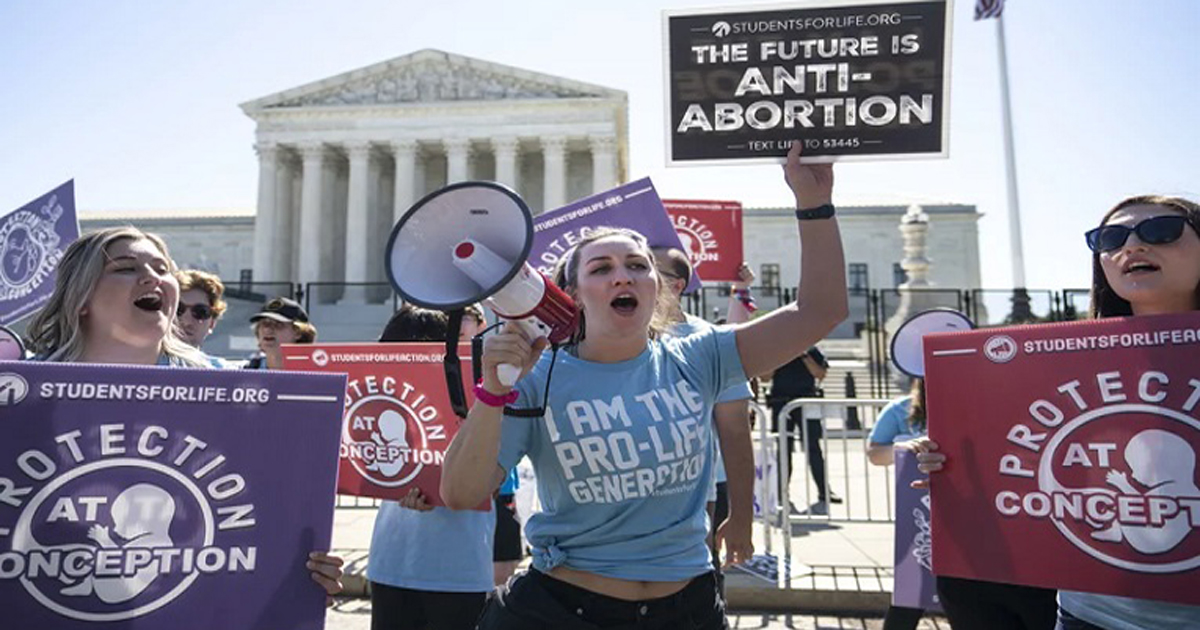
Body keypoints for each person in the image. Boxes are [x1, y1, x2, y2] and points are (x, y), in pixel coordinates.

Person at [441, 141, 848, 630]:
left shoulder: (701, 354)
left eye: (637, 266)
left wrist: (814, 201)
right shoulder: (537, 377)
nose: (623, 277)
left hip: (687, 608)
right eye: (601, 269)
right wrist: (494, 391)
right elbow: (461, 493)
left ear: (657, 286)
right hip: (562, 610)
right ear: (571, 295)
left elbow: (820, 311)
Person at [916, 195, 1200, 629]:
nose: (1133, 246)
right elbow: (1029, 461)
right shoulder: (1054, 364)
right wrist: (951, 464)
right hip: (1087, 615)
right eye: (1111, 238)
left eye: (1160, 230)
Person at [25, 227, 343, 600]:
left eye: (162, 268)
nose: (152, 277)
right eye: (126, 268)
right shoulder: (22, 397)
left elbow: (263, 516)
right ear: (81, 298)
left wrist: (298, 570)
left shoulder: (234, 395)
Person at [368, 304, 496, 630]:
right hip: (391, 559)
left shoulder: (481, 399)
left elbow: (493, 477)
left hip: (457, 569)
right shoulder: (381, 392)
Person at [652, 247, 755, 594]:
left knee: (700, 585)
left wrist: (742, 516)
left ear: (678, 285)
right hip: (639, 491)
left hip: (706, 490)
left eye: (652, 270)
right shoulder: (614, 338)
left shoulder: (710, 340)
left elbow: (737, 433)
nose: (639, 277)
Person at [866, 379, 928, 630]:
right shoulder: (899, 409)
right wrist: (902, 449)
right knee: (911, 593)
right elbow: (874, 453)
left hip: (969, 518)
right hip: (919, 519)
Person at [767, 345, 841, 513]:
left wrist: (802, 355)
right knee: (783, 450)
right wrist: (780, 356)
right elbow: (765, 377)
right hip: (781, 403)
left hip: (806, 404)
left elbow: (820, 374)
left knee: (813, 448)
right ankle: (781, 492)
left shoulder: (810, 350)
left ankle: (824, 490)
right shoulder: (775, 350)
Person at [174, 268, 230, 367]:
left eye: (201, 312)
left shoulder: (223, 374)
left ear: (212, 323)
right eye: (178, 309)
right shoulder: (140, 365)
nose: (187, 321)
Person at [246, 296, 316, 369]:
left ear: (298, 332)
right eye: (264, 324)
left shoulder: (316, 374)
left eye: (278, 324)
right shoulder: (245, 371)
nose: (267, 330)